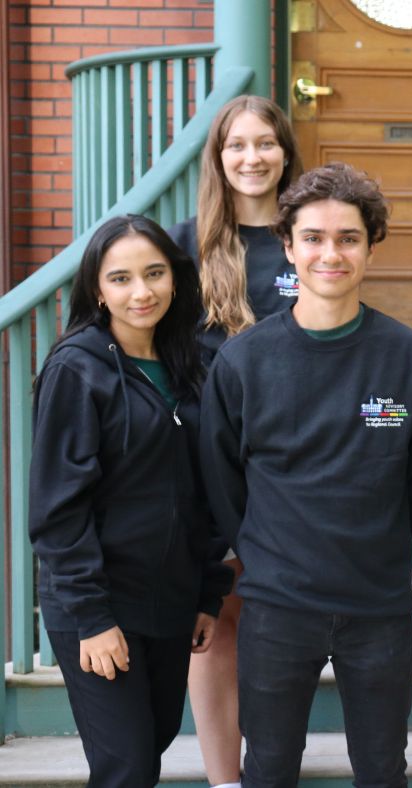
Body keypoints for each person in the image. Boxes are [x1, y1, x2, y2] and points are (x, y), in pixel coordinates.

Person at [199, 162, 412, 787]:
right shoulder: (244, 359)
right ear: (287, 246)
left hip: (378, 606)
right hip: (278, 606)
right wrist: (267, 553)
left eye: (348, 238)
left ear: (370, 246)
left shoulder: (409, 357)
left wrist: (377, 547)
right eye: (312, 237)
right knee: (271, 767)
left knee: (382, 770)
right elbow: (223, 483)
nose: (330, 253)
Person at [29, 215, 232, 787]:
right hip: (100, 602)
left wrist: (208, 593)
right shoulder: (77, 369)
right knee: (126, 765)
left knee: (154, 741)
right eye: (120, 278)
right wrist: (91, 617)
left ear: (175, 278)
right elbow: (57, 509)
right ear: (97, 288)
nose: (140, 292)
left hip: (169, 598)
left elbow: (207, 489)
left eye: (154, 274)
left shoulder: (189, 366)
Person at [168, 94, 302, 788]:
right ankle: (227, 780)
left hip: (293, 462)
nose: (252, 157)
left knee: (276, 619)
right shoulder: (187, 245)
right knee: (217, 619)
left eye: (266, 143)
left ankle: (272, 767)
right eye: (236, 145)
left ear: (285, 152)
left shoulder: (309, 236)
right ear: (219, 158)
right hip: (208, 460)